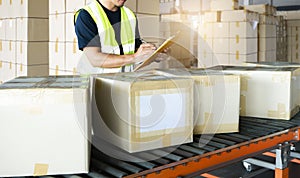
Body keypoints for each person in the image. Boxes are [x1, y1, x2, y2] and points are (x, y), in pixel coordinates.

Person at [74, 0, 156, 73]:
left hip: (122, 83)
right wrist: (134, 57)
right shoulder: (87, 15)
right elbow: (95, 59)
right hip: (95, 85)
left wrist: (152, 54)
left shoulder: (129, 15)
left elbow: (134, 50)